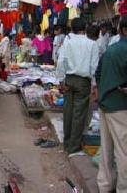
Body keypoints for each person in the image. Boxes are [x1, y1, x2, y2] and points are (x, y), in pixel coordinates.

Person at [56, 17, 99, 157]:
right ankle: (73, 147)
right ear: (85, 28)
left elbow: (61, 61)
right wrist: (94, 85)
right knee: (79, 114)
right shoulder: (92, 44)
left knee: (68, 110)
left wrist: (61, 80)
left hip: (69, 79)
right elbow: (94, 67)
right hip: (83, 82)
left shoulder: (68, 42)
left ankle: (67, 142)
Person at [95, 16, 127, 193]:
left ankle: (105, 186)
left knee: (107, 150)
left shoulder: (111, 49)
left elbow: (98, 74)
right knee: (123, 152)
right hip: (120, 106)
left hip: (105, 105)